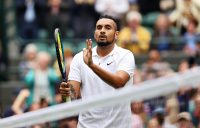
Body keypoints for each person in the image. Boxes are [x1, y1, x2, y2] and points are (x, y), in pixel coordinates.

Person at [59, 15, 135, 128]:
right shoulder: (79, 58)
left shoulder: (126, 55)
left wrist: (92, 65)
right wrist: (66, 93)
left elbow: (119, 82)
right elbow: (73, 95)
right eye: (99, 28)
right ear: (95, 33)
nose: (102, 31)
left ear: (116, 34)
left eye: (108, 28)